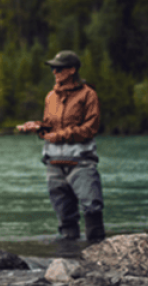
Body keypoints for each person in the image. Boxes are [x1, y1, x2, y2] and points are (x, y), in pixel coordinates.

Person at [17, 50, 104, 246]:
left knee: (92, 207)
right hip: (54, 164)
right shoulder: (51, 97)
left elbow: (91, 128)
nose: (54, 72)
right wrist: (37, 127)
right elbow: (50, 125)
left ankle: (99, 252)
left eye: (58, 68)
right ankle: (67, 258)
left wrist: (59, 135)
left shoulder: (88, 95)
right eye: (53, 68)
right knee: (64, 216)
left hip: (81, 161)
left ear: (72, 70)